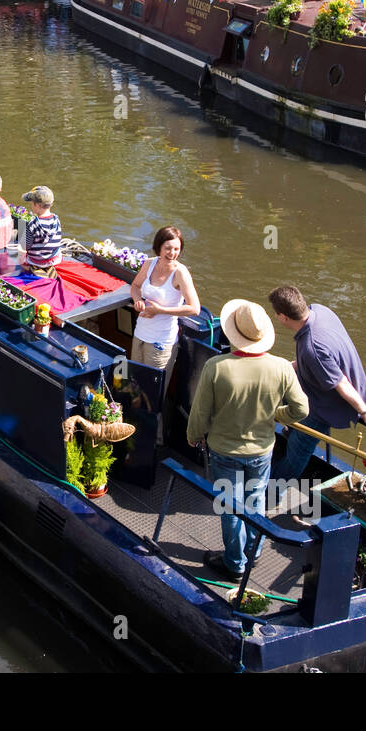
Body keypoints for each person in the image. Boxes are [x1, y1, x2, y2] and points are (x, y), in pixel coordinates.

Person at [186, 299, 308, 579]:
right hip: (262, 450)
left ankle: (234, 564)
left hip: (223, 450)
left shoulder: (216, 367)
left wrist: (193, 437)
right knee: (255, 502)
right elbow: (302, 409)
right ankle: (252, 552)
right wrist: (276, 414)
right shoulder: (281, 368)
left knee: (230, 507)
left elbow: (200, 412)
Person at [267, 285, 366, 484]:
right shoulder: (321, 311)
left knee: (297, 453)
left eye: (276, 315)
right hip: (311, 389)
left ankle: (270, 491)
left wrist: (365, 412)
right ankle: (289, 431)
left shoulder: (311, 347)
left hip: (320, 408)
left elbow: (341, 383)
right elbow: (325, 359)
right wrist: (291, 366)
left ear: (283, 317)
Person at [129, 226, 200, 370]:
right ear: (158, 247)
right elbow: (135, 286)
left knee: (151, 389)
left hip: (161, 341)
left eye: (176, 249)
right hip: (140, 333)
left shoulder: (180, 273)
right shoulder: (149, 264)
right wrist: (138, 300)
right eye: (168, 248)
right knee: (134, 381)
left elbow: (194, 308)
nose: (172, 253)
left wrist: (160, 310)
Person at [20, 186, 62, 276]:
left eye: (32, 204)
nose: (31, 206)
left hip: (36, 261)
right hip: (54, 259)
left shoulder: (33, 224)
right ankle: (47, 267)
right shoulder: (56, 219)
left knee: (17, 251)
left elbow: (24, 247)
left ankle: (30, 267)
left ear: (37, 205)